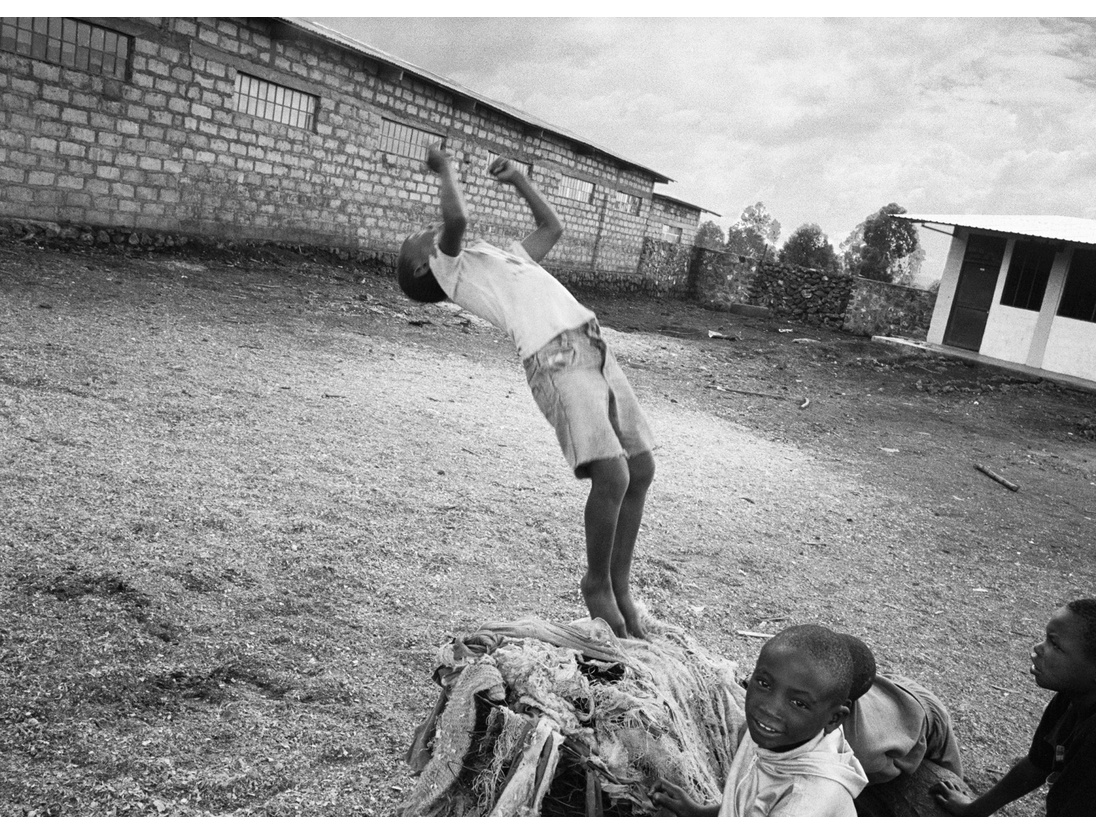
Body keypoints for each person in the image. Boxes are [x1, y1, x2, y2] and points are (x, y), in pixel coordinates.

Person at [394, 142, 656, 639]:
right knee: (613, 476)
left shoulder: (504, 260)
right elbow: (456, 219)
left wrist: (519, 180)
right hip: (554, 355)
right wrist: (445, 167)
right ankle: (596, 583)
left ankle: (620, 586)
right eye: (420, 239)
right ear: (426, 266)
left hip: (591, 342)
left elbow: (552, 228)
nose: (429, 230)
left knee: (640, 468)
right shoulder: (454, 269)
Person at [932, 599, 1096, 816]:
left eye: (1054, 644)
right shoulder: (1075, 699)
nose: (1038, 648)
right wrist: (974, 810)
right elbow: (1037, 765)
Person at [650, 625, 868, 816]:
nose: (769, 709)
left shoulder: (802, 805)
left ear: (834, 718)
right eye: (764, 684)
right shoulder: (774, 735)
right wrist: (697, 813)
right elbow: (747, 803)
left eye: (798, 703)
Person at [838, 633, 966, 816]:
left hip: (926, 715)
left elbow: (900, 762)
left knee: (950, 786)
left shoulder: (861, 751)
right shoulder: (834, 694)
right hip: (886, 687)